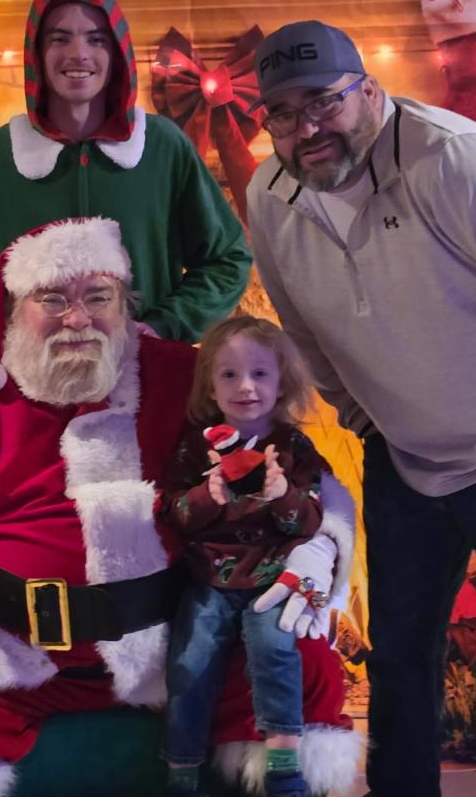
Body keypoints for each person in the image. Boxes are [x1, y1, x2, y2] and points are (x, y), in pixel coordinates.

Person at [0, 217, 362, 796]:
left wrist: (316, 548)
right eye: (53, 299)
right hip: (5, 640)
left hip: (175, 634)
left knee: (302, 663)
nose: (78, 318)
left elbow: (286, 455)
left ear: (124, 305)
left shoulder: (185, 374)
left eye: (98, 297)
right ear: (15, 310)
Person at [244, 20, 476, 797]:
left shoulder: (462, 163)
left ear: (370, 92)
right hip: (406, 461)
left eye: (323, 102)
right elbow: (300, 324)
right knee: (402, 657)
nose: (306, 127)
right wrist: (360, 412)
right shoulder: (270, 196)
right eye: (282, 111)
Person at [0, 0, 251, 352]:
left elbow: (227, 259)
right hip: (24, 385)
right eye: (60, 39)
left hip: (142, 380)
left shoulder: (164, 147)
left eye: (96, 39)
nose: (79, 53)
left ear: (116, 54)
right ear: (36, 53)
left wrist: (166, 325)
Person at [161, 315, 355, 797]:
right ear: (209, 383)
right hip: (209, 581)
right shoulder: (194, 445)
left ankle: (284, 765)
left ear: (282, 380)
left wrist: (283, 494)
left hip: (273, 580)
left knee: (275, 653)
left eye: (260, 373)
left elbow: (310, 521)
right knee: (190, 660)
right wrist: (209, 495)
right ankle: (183, 771)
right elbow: (177, 514)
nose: (245, 386)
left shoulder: (293, 445)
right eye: (229, 374)